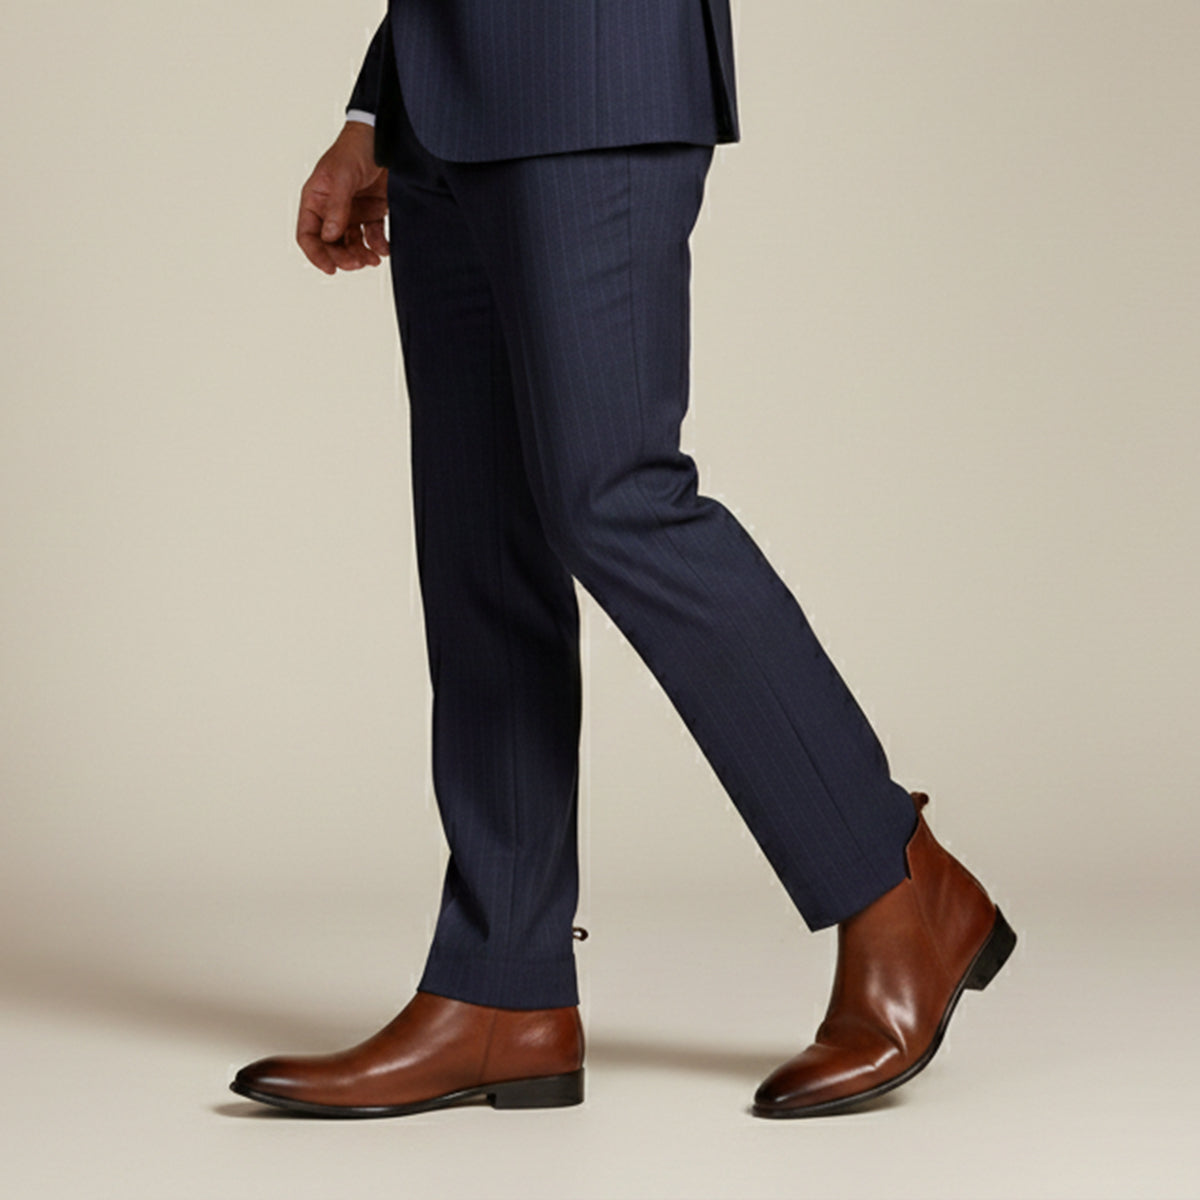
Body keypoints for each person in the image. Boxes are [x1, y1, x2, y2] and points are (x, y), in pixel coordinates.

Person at [230, 1, 1014, 1120]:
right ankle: (501, 989)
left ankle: (897, 887)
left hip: (594, 71)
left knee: (617, 500)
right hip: (440, 105)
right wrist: (376, 107)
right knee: (478, 532)